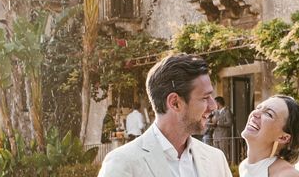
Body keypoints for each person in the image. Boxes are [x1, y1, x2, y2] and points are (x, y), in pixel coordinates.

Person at [98, 54, 232, 177]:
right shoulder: (122, 163)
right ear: (175, 103)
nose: (213, 105)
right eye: (205, 97)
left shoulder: (216, 159)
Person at [239, 94, 299, 177]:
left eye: (269, 114)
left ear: (283, 137)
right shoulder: (243, 166)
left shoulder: (286, 174)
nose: (255, 113)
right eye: (258, 108)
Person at [212, 96, 233, 160]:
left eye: (215, 103)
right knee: (216, 154)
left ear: (218, 103)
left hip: (223, 136)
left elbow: (229, 123)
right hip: (216, 136)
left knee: (223, 153)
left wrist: (220, 123)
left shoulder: (227, 111)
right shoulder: (216, 112)